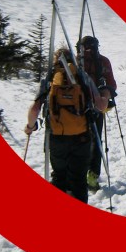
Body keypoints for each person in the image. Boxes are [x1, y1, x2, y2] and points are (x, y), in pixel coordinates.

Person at [24, 47, 102, 204]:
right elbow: (99, 105)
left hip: (57, 136)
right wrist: (105, 93)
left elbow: (35, 108)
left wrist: (29, 127)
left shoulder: (50, 78)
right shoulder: (82, 76)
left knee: (59, 177)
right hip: (82, 137)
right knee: (79, 179)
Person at [77, 35, 117, 192]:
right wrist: (105, 96)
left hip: (75, 107)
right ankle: (92, 177)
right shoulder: (103, 61)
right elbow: (112, 84)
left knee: (76, 139)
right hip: (97, 106)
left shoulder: (75, 61)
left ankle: (76, 173)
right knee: (96, 140)